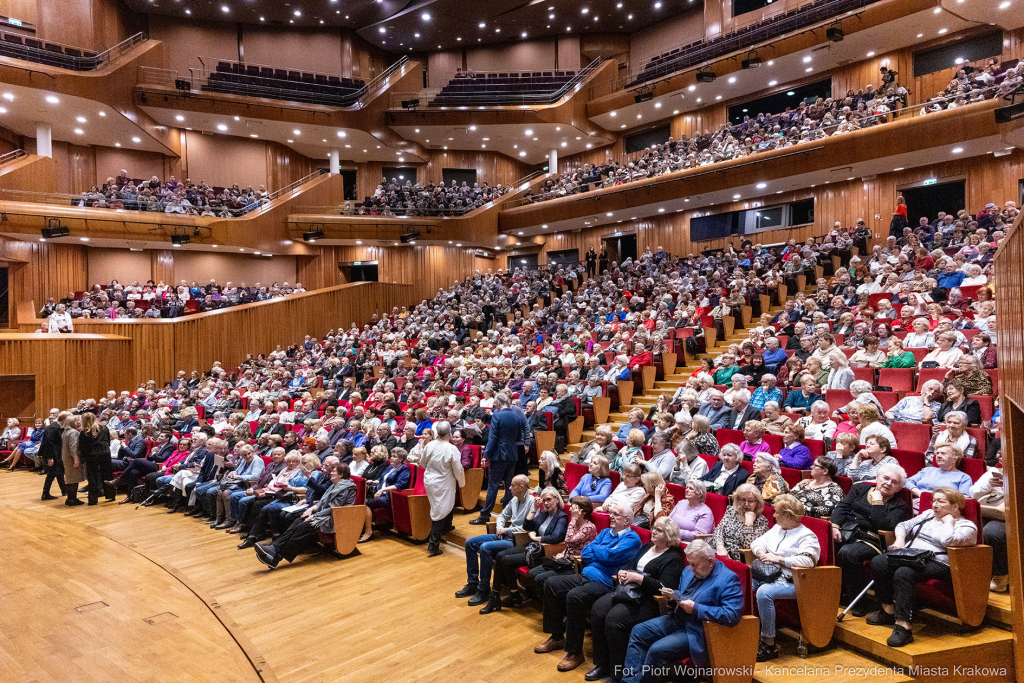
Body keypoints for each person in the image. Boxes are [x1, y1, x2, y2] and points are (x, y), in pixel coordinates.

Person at [533, 502, 641, 672]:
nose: (611, 516)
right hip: (586, 574)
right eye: (611, 513)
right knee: (550, 584)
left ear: (627, 520)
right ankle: (557, 636)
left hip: (605, 582)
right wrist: (603, 552)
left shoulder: (632, 540)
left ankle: (575, 653)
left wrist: (600, 551)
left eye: (616, 514)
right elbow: (586, 552)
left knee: (575, 596)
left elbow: (610, 557)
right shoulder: (605, 533)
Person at [619, 540, 744, 683]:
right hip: (676, 619)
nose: (690, 568)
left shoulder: (728, 580)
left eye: (694, 564)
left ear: (710, 561)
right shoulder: (688, 572)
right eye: (689, 563)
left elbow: (732, 615)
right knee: (638, 631)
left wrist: (696, 608)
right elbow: (685, 594)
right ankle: (628, 681)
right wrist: (673, 596)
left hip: (697, 631)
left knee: (657, 649)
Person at [866, 487, 977, 647]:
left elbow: (948, 541)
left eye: (941, 501)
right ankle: (888, 610)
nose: (935, 505)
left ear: (955, 506)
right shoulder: (928, 515)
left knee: (904, 573)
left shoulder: (967, 527)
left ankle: (903, 626)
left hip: (939, 562)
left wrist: (948, 522)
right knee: (879, 561)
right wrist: (900, 540)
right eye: (934, 500)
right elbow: (903, 525)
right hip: (911, 555)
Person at [587, 517, 686, 680]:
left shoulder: (672, 558)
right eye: (654, 528)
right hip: (628, 592)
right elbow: (630, 566)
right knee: (598, 610)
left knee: (614, 620)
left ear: (669, 535)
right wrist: (623, 573)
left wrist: (639, 579)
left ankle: (617, 673)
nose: (653, 531)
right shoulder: (647, 547)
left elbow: (666, 587)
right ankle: (602, 664)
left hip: (648, 600)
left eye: (659, 530)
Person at [830, 464, 911, 614]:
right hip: (848, 531)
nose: (888, 483)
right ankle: (833, 594)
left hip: (874, 541)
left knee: (848, 552)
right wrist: (834, 526)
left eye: (894, 482)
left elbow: (883, 526)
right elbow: (842, 507)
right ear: (877, 478)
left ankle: (859, 603)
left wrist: (877, 502)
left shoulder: (900, 506)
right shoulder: (860, 489)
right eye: (886, 478)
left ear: (899, 488)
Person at [750, 494, 821, 662]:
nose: (773, 515)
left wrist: (780, 559)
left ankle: (769, 643)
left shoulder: (806, 535)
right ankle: (748, 633)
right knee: (742, 584)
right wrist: (761, 553)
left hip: (795, 581)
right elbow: (756, 543)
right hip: (769, 573)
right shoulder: (777, 529)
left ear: (788, 515)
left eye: (777, 513)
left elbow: (809, 560)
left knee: (764, 592)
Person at [254, 462, 358, 568]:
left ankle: (276, 556)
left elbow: (334, 508)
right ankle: (274, 550)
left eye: (334, 471)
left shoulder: (345, 488)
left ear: (341, 475)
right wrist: (312, 509)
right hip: (327, 514)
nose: (331, 473)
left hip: (337, 517)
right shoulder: (336, 485)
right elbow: (323, 503)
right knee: (298, 520)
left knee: (304, 526)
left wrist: (315, 515)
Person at [484, 487, 568, 613]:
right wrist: (534, 509)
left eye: (549, 500)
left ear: (557, 499)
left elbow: (556, 537)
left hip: (543, 551)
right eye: (544, 500)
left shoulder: (562, 517)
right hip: (532, 547)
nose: (546, 503)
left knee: (506, 560)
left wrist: (537, 538)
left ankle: (513, 596)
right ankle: (498, 596)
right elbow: (527, 526)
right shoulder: (544, 514)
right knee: (500, 556)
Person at [458, 474, 535, 606]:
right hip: (504, 535)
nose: (509, 488)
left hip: (516, 540)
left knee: (485, 548)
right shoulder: (514, 500)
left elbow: (527, 528)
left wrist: (506, 530)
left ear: (522, 487)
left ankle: (484, 589)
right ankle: (472, 583)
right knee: (470, 543)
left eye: (512, 485)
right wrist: (500, 527)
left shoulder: (532, 503)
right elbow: (502, 515)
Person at [523, 496, 598, 606]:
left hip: (575, 565)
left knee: (541, 579)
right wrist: (562, 553)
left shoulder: (589, 527)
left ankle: (554, 608)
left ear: (583, 511)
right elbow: (568, 546)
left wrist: (573, 520)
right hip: (564, 559)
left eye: (574, 508)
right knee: (533, 573)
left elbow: (569, 541)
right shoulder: (575, 524)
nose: (571, 510)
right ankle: (549, 605)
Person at [471, 393, 526, 525]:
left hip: (498, 455)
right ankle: (506, 514)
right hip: (513, 454)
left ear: (498, 402)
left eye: (495, 403)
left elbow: (493, 438)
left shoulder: (497, 415)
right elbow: (519, 437)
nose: (494, 405)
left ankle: (485, 515)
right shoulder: (516, 415)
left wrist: (486, 456)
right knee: (509, 486)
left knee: (493, 485)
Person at [418, 421, 466, 557]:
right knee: (439, 511)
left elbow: (422, 462)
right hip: (443, 482)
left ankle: (446, 527)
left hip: (429, 480)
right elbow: (458, 469)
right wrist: (462, 483)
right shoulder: (451, 449)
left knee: (442, 506)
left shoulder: (430, 445)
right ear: (449, 433)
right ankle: (433, 545)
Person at [970, 451, 1007, 592]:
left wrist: (1009, 486)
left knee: (992, 532)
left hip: (1013, 517)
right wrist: (988, 485)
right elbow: (973, 493)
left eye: (1005, 455)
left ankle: (1001, 575)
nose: (1001, 458)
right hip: (992, 512)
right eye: (1001, 455)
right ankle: (976, 573)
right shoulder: (993, 473)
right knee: (970, 526)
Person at [360, 448, 411, 542]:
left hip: (389, 497)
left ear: (401, 459)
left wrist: (382, 490)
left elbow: (400, 485)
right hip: (379, 493)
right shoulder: (390, 467)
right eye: (391, 456)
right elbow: (381, 479)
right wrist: (373, 481)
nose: (391, 458)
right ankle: (359, 528)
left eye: (394, 457)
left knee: (365, 503)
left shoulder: (404, 469)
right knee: (359, 499)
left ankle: (368, 532)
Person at [712, 483, 769, 561]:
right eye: (743, 500)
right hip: (718, 549)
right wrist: (720, 546)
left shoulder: (761, 521)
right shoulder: (731, 511)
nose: (746, 504)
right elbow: (719, 530)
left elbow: (748, 547)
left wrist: (748, 523)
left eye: (751, 501)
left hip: (737, 557)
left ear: (757, 502)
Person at [906, 443, 972, 510]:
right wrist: (919, 493)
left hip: (941, 509)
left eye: (943, 453)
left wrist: (928, 499)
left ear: (955, 459)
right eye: (937, 453)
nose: (938, 456)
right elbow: (907, 481)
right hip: (914, 504)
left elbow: (963, 500)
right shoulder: (927, 470)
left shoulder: (964, 477)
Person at [78, 412, 114, 505]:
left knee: (92, 477)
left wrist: (83, 458)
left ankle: (93, 500)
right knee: (107, 474)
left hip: (92, 455)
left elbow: (83, 447)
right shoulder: (104, 428)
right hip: (105, 453)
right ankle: (111, 495)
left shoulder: (84, 432)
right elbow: (108, 442)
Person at [39, 411, 69, 502]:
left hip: (56, 454)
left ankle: (64, 490)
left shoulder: (58, 428)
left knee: (59, 472)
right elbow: (48, 443)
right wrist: (50, 457)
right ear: (65, 419)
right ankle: (45, 493)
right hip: (51, 455)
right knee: (52, 474)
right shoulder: (52, 428)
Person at [60, 414, 84, 506]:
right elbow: (73, 447)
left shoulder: (66, 431)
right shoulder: (74, 432)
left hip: (66, 457)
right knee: (74, 479)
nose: (80, 422)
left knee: (70, 478)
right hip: (71, 458)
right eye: (78, 420)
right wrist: (76, 459)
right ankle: (72, 499)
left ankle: (70, 498)